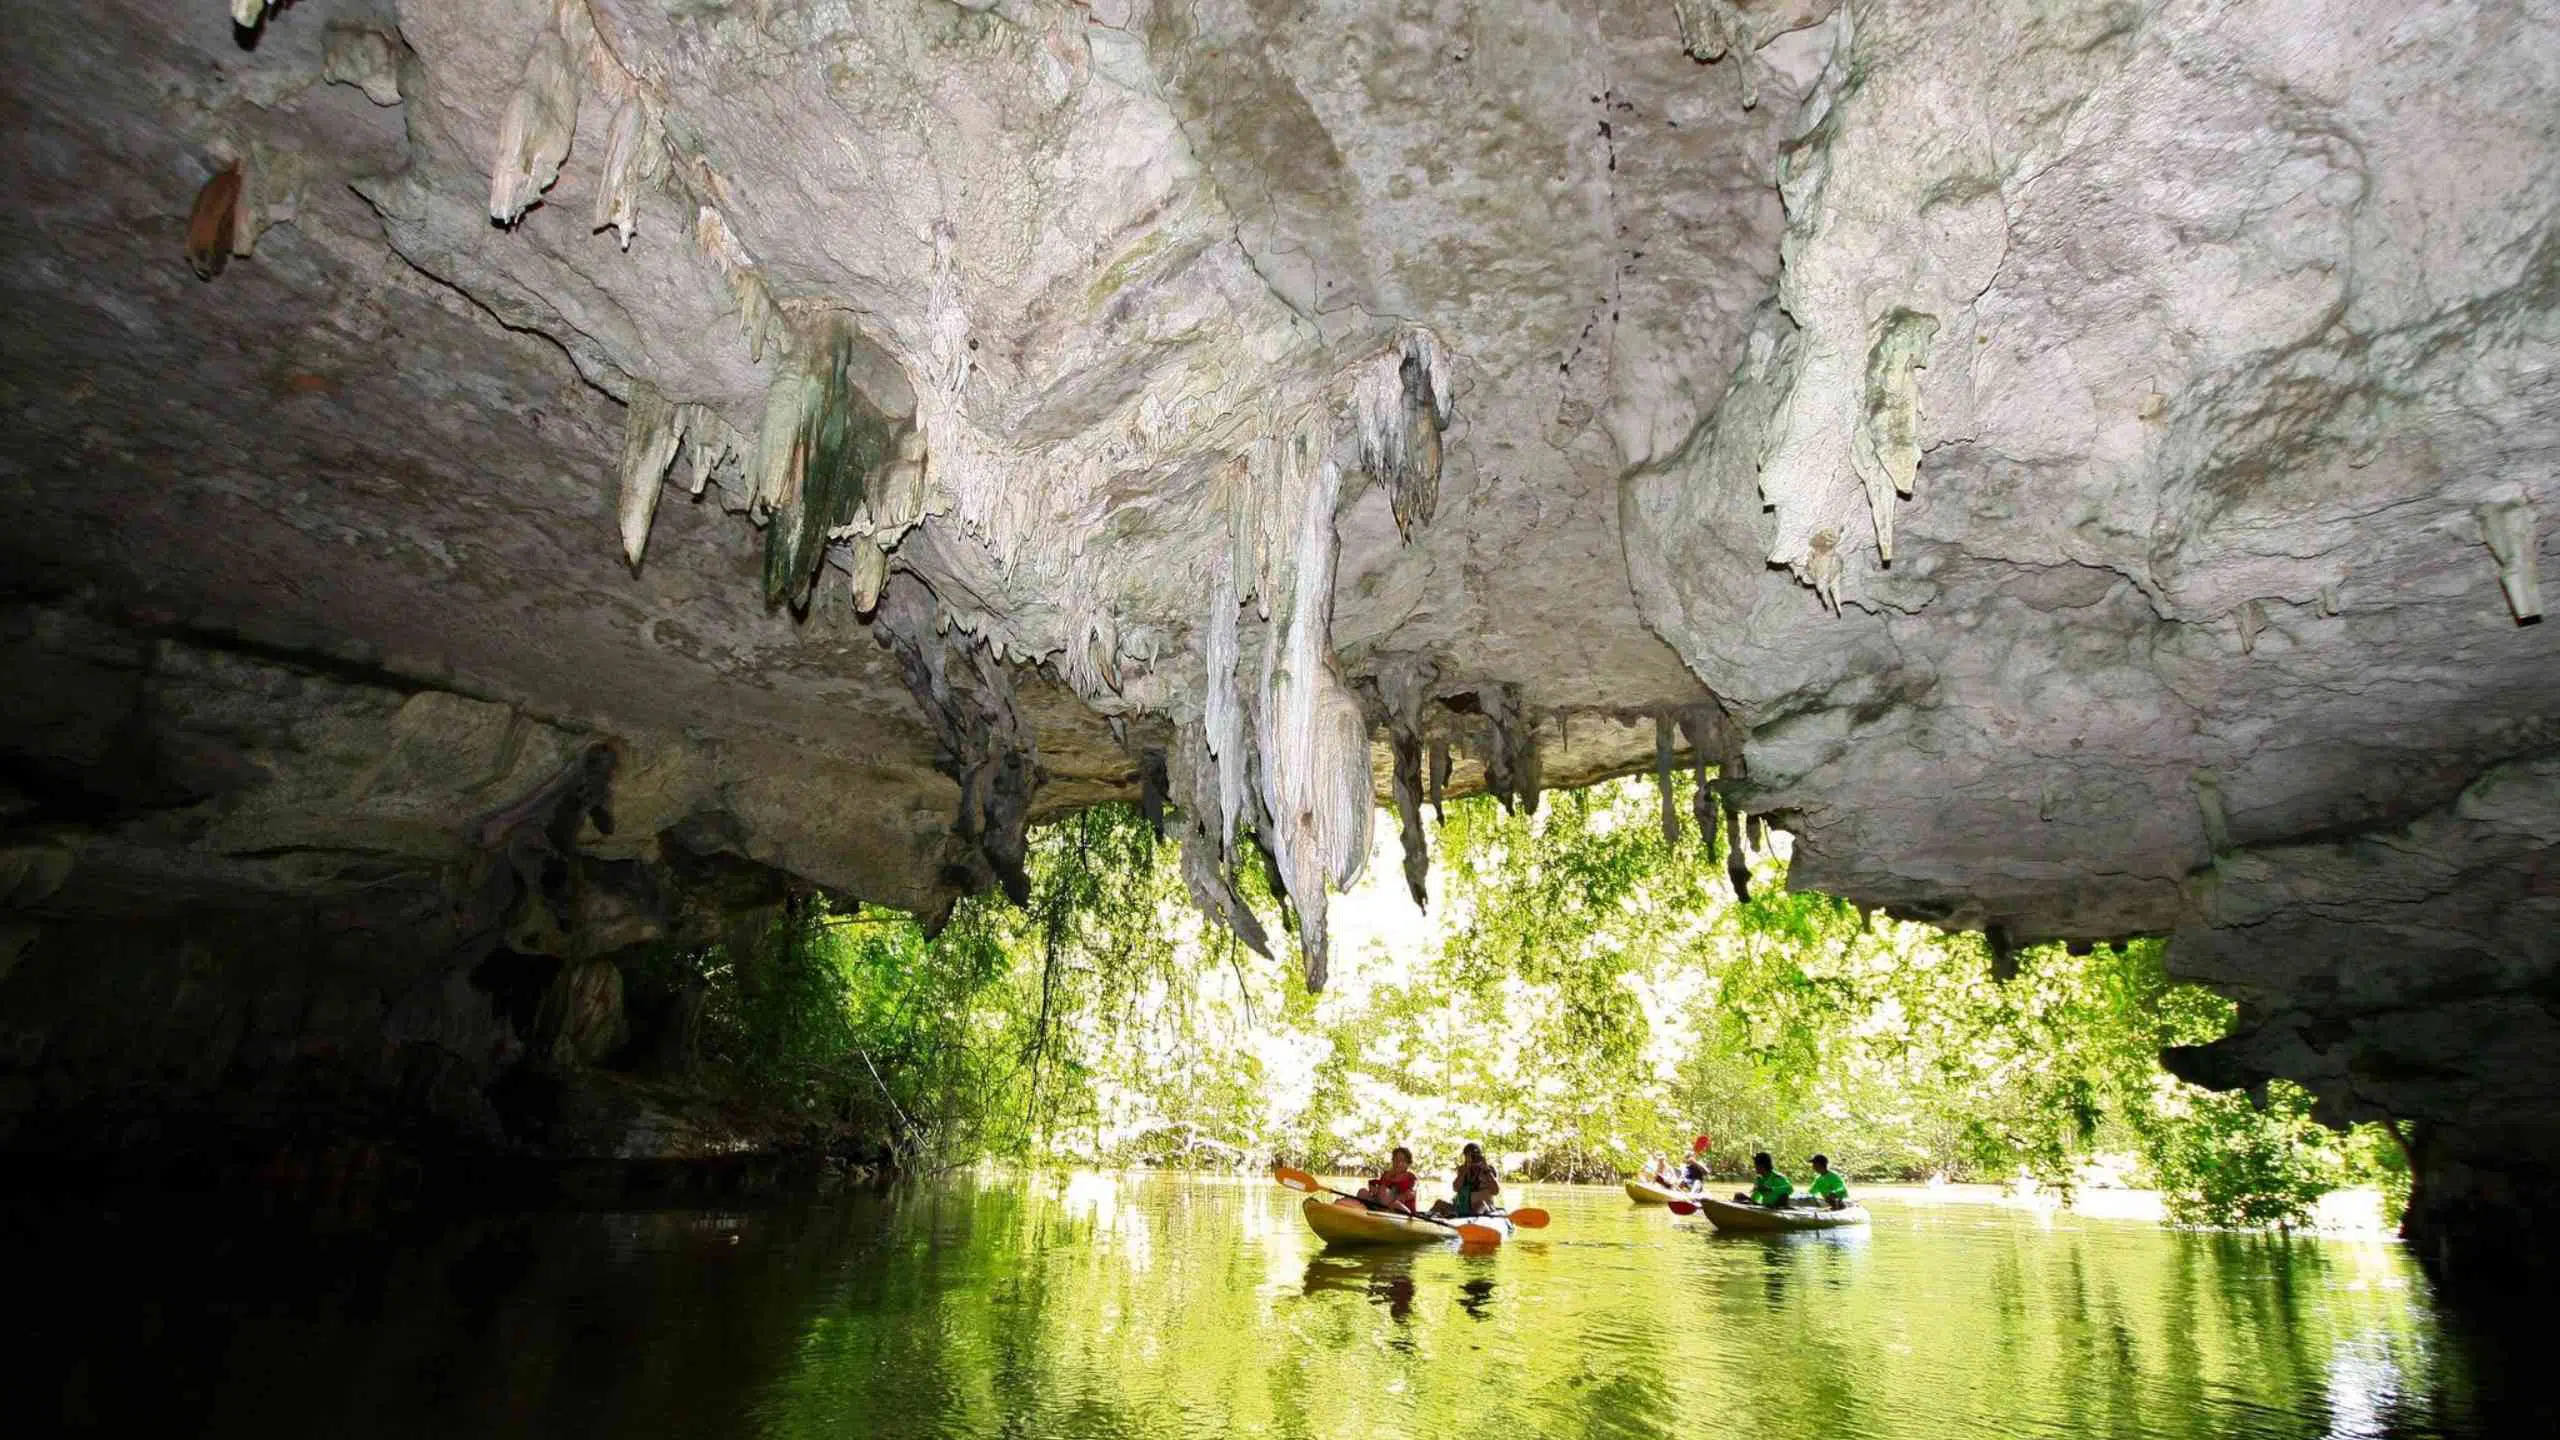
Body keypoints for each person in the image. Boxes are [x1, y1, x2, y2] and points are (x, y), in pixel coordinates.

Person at [1431, 1142, 1501, 1217]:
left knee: (1480, 1204)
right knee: (1439, 1203)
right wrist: (1465, 1170)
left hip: (1484, 1208)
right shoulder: (1463, 1169)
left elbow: (1495, 1191)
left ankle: (1467, 1220)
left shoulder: (1488, 1170)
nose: (1474, 1157)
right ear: (1465, 1156)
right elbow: (1456, 1188)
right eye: (1470, 1155)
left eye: (1476, 1154)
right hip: (1463, 1208)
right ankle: (1427, 1219)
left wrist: (1486, 1170)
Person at [1357, 1146, 1420, 1213]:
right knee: (1362, 1192)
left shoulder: (1412, 1177)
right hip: (1382, 1205)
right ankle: (1376, 1210)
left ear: (1408, 1164)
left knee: (1392, 1200)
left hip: (1402, 1209)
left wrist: (1399, 1198)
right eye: (1395, 1159)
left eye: (1401, 1160)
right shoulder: (1387, 1174)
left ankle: (1382, 1211)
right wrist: (1374, 1188)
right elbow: (1377, 1186)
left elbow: (1411, 1192)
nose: (1397, 1163)